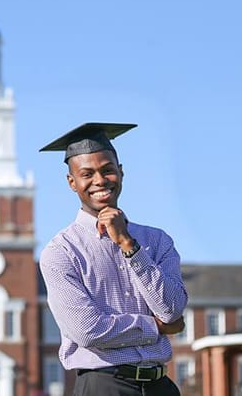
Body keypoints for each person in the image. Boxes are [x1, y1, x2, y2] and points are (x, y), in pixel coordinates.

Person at [38, 122, 188, 396]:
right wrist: (154, 326)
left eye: (107, 170)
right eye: (87, 174)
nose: (99, 180)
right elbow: (88, 330)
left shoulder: (157, 241)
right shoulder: (60, 253)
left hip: (161, 387)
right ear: (72, 182)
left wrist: (128, 245)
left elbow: (172, 311)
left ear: (121, 172)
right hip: (103, 386)